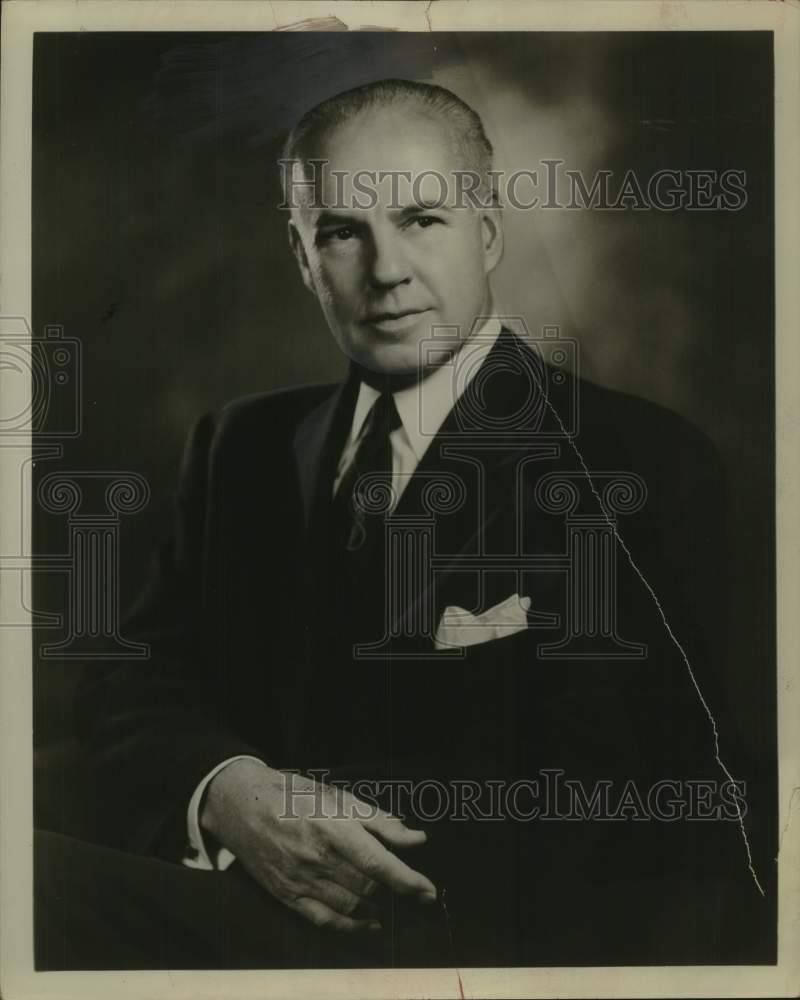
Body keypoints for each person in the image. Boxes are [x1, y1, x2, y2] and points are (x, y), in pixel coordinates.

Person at [35, 78, 767, 970]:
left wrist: (309, 835)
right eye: (343, 232)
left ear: (488, 234)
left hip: (454, 939)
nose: (385, 273)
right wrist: (226, 792)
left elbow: (663, 794)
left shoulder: (641, 460)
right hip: (229, 879)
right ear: (304, 257)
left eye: (423, 220)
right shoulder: (242, 443)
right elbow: (133, 681)